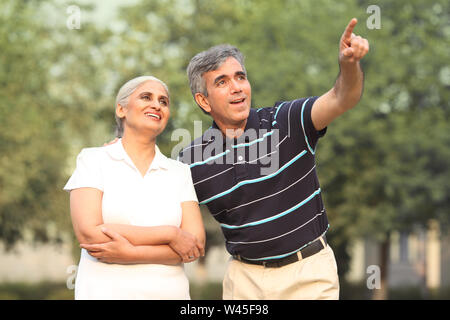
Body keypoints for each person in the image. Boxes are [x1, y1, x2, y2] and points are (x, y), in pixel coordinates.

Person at [178, 18, 369, 299]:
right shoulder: (192, 160)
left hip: (308, 274)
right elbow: (152, 195)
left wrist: (349, 65)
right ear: (204, 101)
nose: (237, 87)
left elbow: (343, 97)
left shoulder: (287, 121)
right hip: (244, 281)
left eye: (240, 77)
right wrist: (124, 144)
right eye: (222, 81)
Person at [63, 76, 205, 300]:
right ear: (121, 109)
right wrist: (170, 234)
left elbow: (194, 245)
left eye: (163, 101)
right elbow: (89, 234)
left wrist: (130, 253)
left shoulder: (179, 172)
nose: (156, 105)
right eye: (146, 97)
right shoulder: (93, 160)